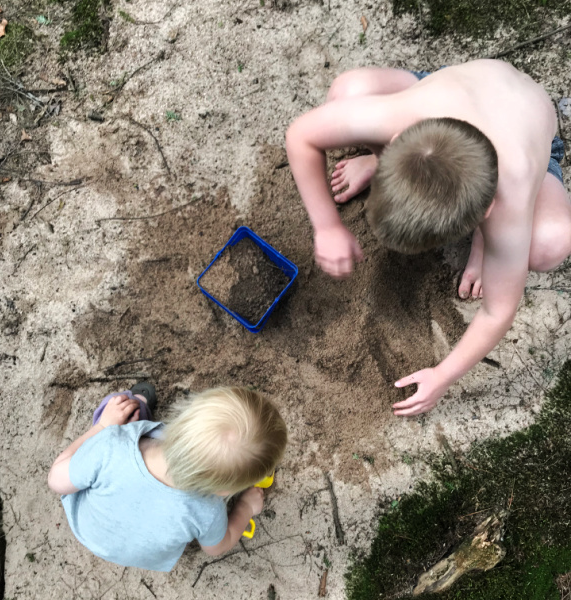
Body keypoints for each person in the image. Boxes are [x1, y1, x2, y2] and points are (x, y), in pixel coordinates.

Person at [285, 60, 570, 416]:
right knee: (346, 90)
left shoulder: (513, 194)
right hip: (455, 91)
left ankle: (484, 243)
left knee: (549, 246)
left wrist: (443, 375)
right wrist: (327, 226)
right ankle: (375, 162)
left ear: (486, 212)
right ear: (397, 141)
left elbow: (498, 311)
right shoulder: (401, 114)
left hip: (530, 132)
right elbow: (300, 136)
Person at [48, 384, 287, 571]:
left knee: (122, 403)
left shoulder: (112, 444)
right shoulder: (207, 510)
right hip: (139, 555)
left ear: (183, 415)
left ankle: (139, 404)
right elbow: (217, 547)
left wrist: (103, 427)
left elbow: (56, 480)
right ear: (225, 491)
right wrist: (245, 508)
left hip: (88, 530)